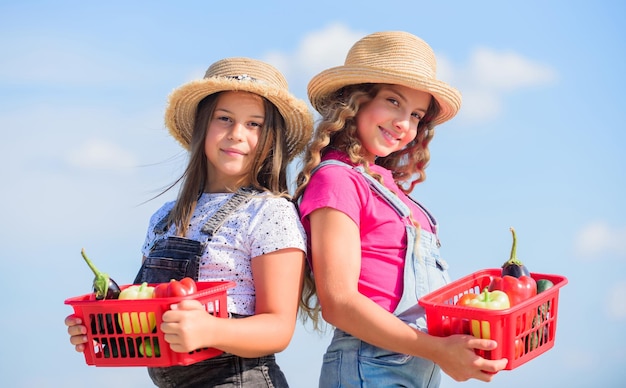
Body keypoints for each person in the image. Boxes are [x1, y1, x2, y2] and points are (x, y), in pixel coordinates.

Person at [65, 57, 314, 387]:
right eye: (224, 119)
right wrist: (104, 330)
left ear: (271, 140)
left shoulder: (269, 213)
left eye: (254, 124)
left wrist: (211, 329)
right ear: (202, 126)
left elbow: (279, 328)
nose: (237, 134)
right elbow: (147, 316)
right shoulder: (164, 219)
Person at [295, 31, 508, 387]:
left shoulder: (386, 187)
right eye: (393, 102)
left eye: (416, 115)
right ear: (354, 100)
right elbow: (339, 302)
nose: (404, 124)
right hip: (370, 366)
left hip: (417, 364)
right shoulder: (337, 180)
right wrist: (438, 351)